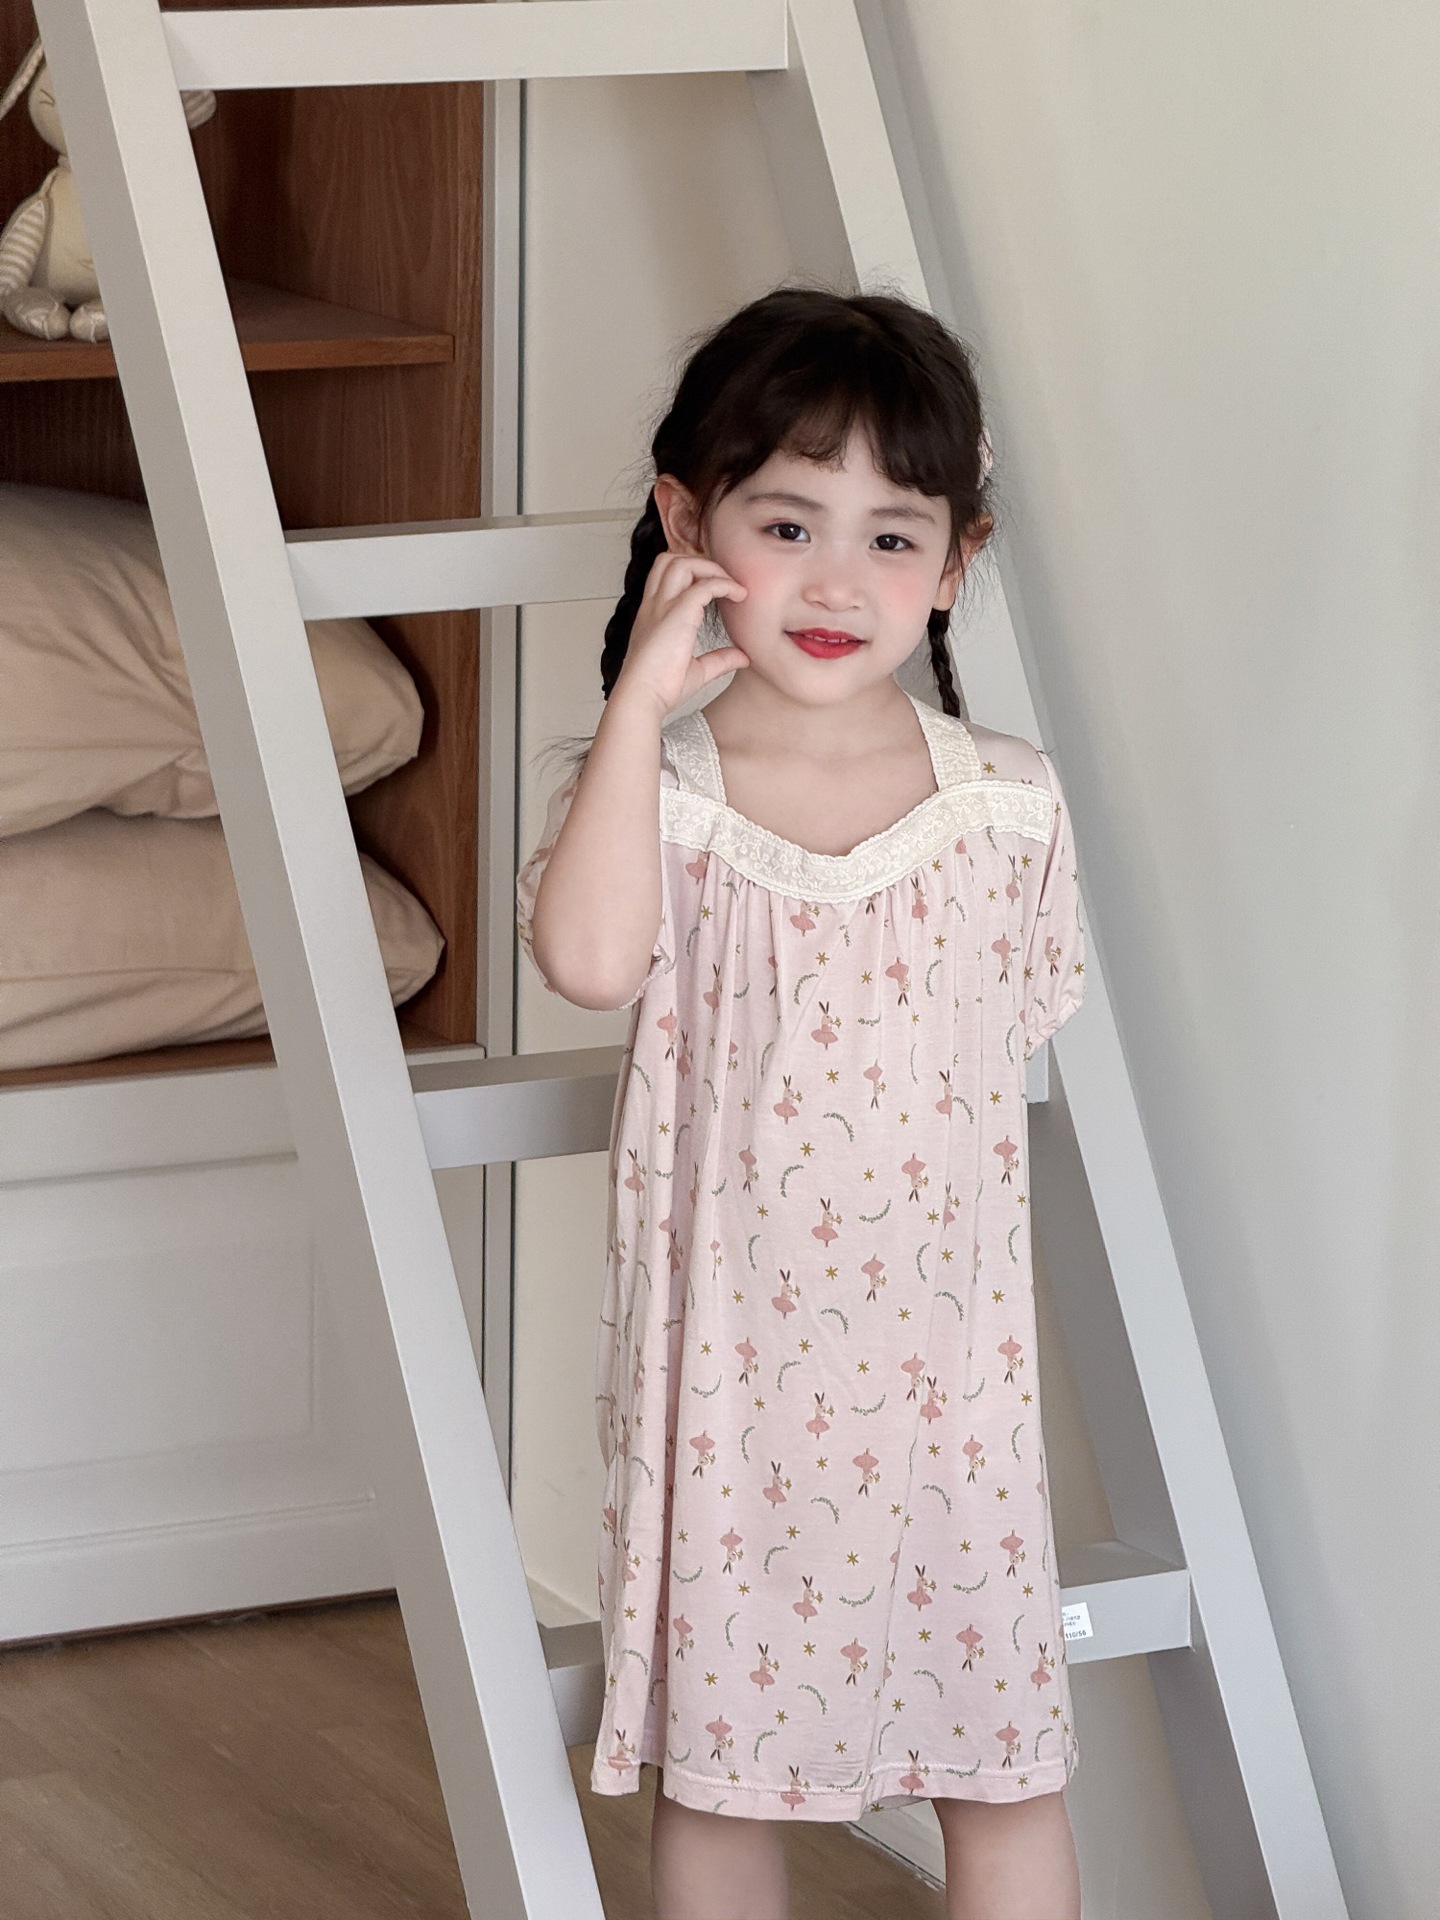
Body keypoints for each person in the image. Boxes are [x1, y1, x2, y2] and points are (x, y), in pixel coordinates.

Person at [515, 287, 1087, 1920]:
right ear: (687, 523)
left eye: (893, 539)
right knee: (725, 1776)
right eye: (786, 525)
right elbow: (589, 962)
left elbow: (1012, 1033)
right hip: (731, 1401)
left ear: (956, 562)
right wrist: (637, 707)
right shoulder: (658, 801)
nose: (839, 584)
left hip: (951, 1407)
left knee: (1004, 1770)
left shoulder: (1008, 808)